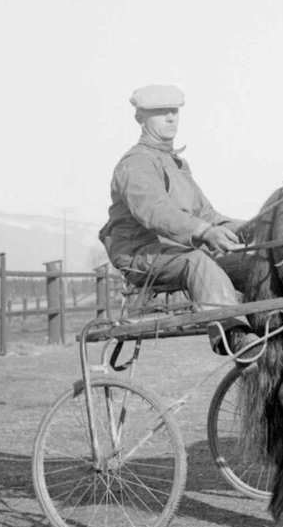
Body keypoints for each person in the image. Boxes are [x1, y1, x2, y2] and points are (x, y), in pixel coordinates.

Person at [99, 84, 261, 357]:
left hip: (176, 250)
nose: (171, 118)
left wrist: (251, 228)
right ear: (140, 118)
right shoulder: (135, 163)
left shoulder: (176, 164)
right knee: (197, 261)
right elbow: (154, 211)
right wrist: (204, 232)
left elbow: (206, 214)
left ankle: (274, 325)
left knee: (256, 263)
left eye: (174, 111)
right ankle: (232, 336)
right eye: (161, 112)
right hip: (140, 254)